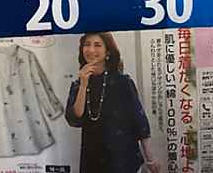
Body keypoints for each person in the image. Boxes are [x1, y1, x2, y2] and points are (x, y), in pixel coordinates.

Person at [65, 33, 159, 173]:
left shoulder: (123, 82)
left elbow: (140, 122)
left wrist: (150, 159)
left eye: (97, 45)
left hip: (123, 158)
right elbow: (74, 119)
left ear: (107, 51)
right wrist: (83, 84)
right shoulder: (78, 84)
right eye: (87, 45)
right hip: (92, 159)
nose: (91, 50)